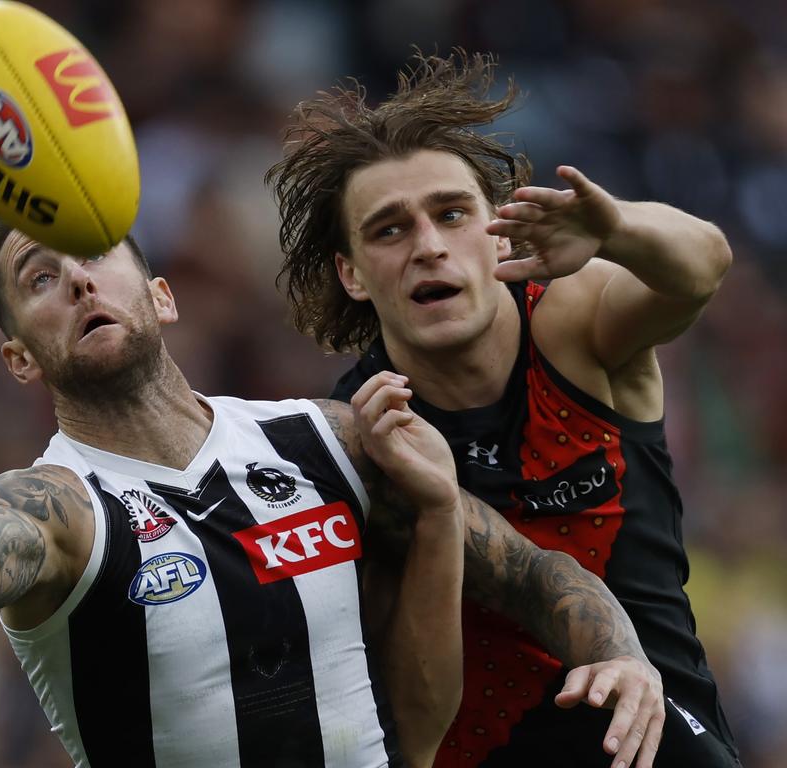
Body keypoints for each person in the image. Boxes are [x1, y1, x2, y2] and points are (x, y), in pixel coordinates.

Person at [0, 222, 662, 768]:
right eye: (40, 278)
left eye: (95, 259)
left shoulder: (325, 438)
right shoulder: (62, 505)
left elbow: (528, 571)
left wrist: (624, 654)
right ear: (20, 359)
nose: (77, 279)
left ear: (159, 296)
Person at [267, 51, 741, 767]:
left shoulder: (574, 322)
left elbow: (702, 266)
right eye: (389, 230)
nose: (429, 246)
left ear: (501, 232)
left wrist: (615, 231)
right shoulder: (359, 434)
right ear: (352, 273)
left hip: (654, 740)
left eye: (452, 214)